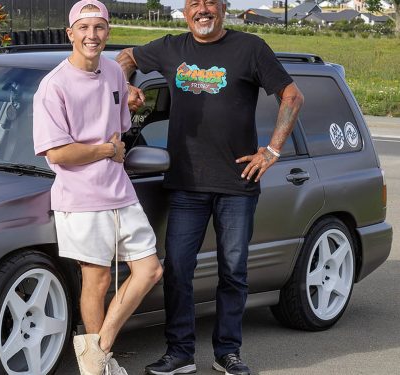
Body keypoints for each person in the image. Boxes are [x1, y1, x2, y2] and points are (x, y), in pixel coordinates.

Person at [116, 0, 304, 373]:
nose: (202, 10)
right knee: (178, 269)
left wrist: (271, 150)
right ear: (186, 12)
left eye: (210, 3)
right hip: (185, 184)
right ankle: (180, 353)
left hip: (237, 183)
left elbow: (292, 96)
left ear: (224, 8)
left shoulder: (250, 48)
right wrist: (124, 85)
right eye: (194, 4)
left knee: (233, 270)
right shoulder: (170, 48)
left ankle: (227, 352)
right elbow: (126, 56)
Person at [32, 0, 164, 374]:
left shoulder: (112, 72)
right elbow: (58, 153)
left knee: (150, 271)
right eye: (84, 28)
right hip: (81, 197)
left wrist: (130, 105)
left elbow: (119, 127)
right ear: (70, 34)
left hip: (119, 191)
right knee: (98, 278)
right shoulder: (53, 86)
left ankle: (98, 351)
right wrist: (107, 150)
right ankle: (101, 367)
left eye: (100, 28)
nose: (92, 36)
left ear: (107, 32)